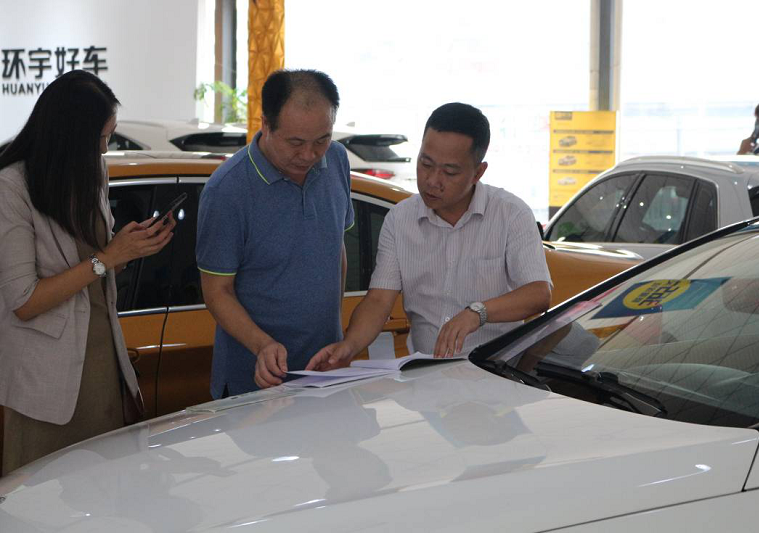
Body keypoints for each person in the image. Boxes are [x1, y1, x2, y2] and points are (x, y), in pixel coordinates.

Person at [0, 70, 176, 474]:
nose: (105, 149)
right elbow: (24, 302)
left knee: (106, 494)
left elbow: (100, 263)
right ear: (70, 135)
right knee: (38, 503)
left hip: (102, 361)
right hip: (44, 380)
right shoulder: (11, 186)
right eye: (101, 139)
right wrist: (108, 258)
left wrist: (134, 247)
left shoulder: (93, 171)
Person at [306, 102, 552, 371]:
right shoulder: (400, 220)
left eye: (449, 172)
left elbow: (538, 294)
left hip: (495, 375)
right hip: (426, 375)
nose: (432, 180)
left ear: (478, 173)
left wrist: (478, 313)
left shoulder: (511, 214)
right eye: (425, 164)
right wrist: (349, 346)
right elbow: (379, 300)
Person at [197, 69, 354, 395]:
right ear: (266, 124)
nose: (309, 155)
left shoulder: (337, 161)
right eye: (295, 143)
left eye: (321, 140)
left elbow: (335, 249)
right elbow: (217, 291)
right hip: (255, 378)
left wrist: (335, 334)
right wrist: (262, 345)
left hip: (323, 371)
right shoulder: (227, 190)